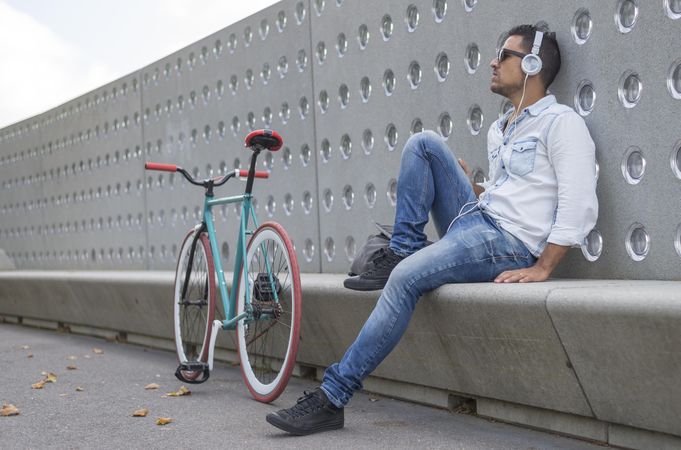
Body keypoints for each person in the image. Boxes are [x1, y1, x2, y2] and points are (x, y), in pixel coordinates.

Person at [266, 24, 598, 436]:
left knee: (404, 280)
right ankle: (405, 247)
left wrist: (544, 266)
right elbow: (508, 191)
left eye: (504, 55)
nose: (493, 62)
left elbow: (580, 201)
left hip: (508, 243)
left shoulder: (561, 123)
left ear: (532, 64)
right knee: (424, 143)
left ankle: (332, 397)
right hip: (478, 219)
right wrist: (473, 186)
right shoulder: (502, 128)